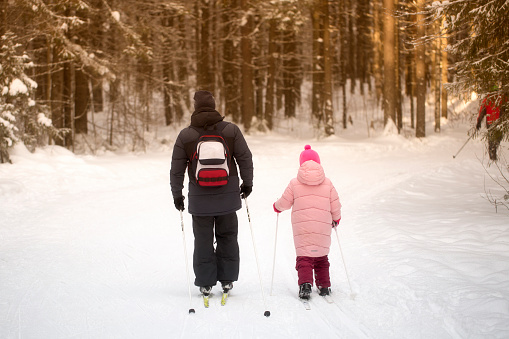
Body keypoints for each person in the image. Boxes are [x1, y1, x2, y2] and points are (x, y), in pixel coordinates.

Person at [170, 90, 253, 296]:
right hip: (228, 197)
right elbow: (245, 157)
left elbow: (176, 168)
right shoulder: (231, 130)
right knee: (228, 237)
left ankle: (206, 282)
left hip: (200, 200)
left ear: (195, 107)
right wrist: (247, 183)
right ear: (214, 106)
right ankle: (227, 280)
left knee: (203, 240)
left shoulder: (186, 135)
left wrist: (177, 194)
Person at [273, 145, 341, 300]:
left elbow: (285, 202)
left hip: (302, 228)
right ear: (318, 162)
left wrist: (276, 207)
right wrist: (336, 218)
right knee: (321, 257)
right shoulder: (328, 183)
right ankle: (324, 286)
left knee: (304, 257)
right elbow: (335, 203)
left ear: (301, 163)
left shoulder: (295, 183)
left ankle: (305, 285)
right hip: (322, 227)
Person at [476, 88, 506, 161]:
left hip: (496, 122)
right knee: (495, 139)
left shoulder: (501, 98)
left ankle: (493, 154)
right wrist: (479, 121)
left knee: (495, 139)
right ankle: (493, 156)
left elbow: (482, 111)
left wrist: (479, 121)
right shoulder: (490, 99)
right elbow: (482, 111)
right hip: (495, 122)